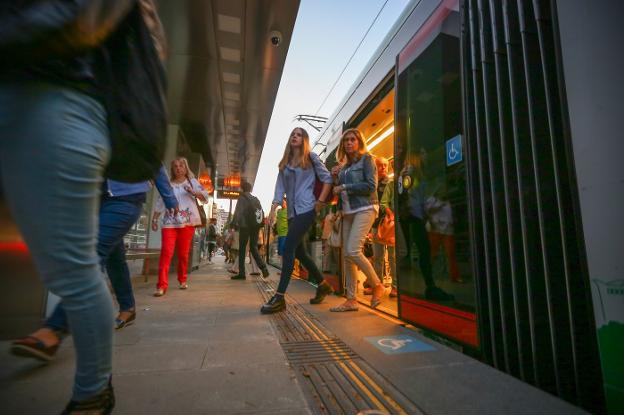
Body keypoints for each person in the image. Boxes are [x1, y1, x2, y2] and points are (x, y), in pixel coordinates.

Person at [0, 1, 167, 412]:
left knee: (82, 260)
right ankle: (127, 306)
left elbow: (158, 171)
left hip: (121, 188)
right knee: (104, 258)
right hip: (89, 169)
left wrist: (174, 202)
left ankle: (66, 349)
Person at [10, 166, 178, 362]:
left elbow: (152, 157)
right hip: (95, 197)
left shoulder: (131, 134)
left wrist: (169, 197)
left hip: (126, 197)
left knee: (91, 255)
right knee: (115, 258)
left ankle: (54, 329)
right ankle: (128, 308)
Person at [263, 127, 334, 314]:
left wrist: (319, 203)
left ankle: (279, 297)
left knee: (288, 248)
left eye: (299, 134)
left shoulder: (310, 157)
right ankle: (322, 284)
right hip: (293, 212)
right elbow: (279, 189)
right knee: (300, 253)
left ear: (304, 140)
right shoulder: (285, 164)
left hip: (308, 208)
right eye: (292, 134)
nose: (295, 136)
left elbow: (327, 179)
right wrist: (273, 208)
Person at [330, 129, 384, 312]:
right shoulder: (343, 168)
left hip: (366, 208)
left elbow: (371, 186)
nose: (349, 143)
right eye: (346, 140)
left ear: (359, 142)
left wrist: (344, 185)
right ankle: (351, 299)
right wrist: (336, 179)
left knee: (353, 250)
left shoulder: (367, 159)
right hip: (348, 212)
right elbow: (339, 192)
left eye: (353, 139)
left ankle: (377, 285)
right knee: (347, 256)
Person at [151, 157, 209, 296]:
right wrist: (154, 219)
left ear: (186, 168)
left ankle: (182, 279)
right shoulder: (168, 184)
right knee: (166, 253)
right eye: (175, 166)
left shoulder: (192, 182)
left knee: (183, 254)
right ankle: (161, 286)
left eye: (181, 165)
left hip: (187, 223)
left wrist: (194, 192)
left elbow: (205, 196)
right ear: (172, 169)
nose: (178, 168)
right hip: (169, 223)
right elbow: (160, 201)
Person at [230, 180, 269, 280]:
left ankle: (242, 273)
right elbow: (261, 212)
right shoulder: (255, 199)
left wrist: (233, 224)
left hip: (245, 225)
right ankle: (263, 268)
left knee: (242, 249)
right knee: (253, 247)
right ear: (250, 189)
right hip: (255, 225)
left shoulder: (242, 198)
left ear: (242, 189)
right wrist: (261, 224)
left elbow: (238, 211)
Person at [371, 157, 397, 297]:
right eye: (380, 165)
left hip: (389, 223)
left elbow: (384, 204)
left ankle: (395, 286)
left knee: (393, 256)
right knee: (377, 257)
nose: (383, 168)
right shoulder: (372, 183)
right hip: (376, 224)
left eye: (385, 166)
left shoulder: (390, 183)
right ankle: (377, 284)